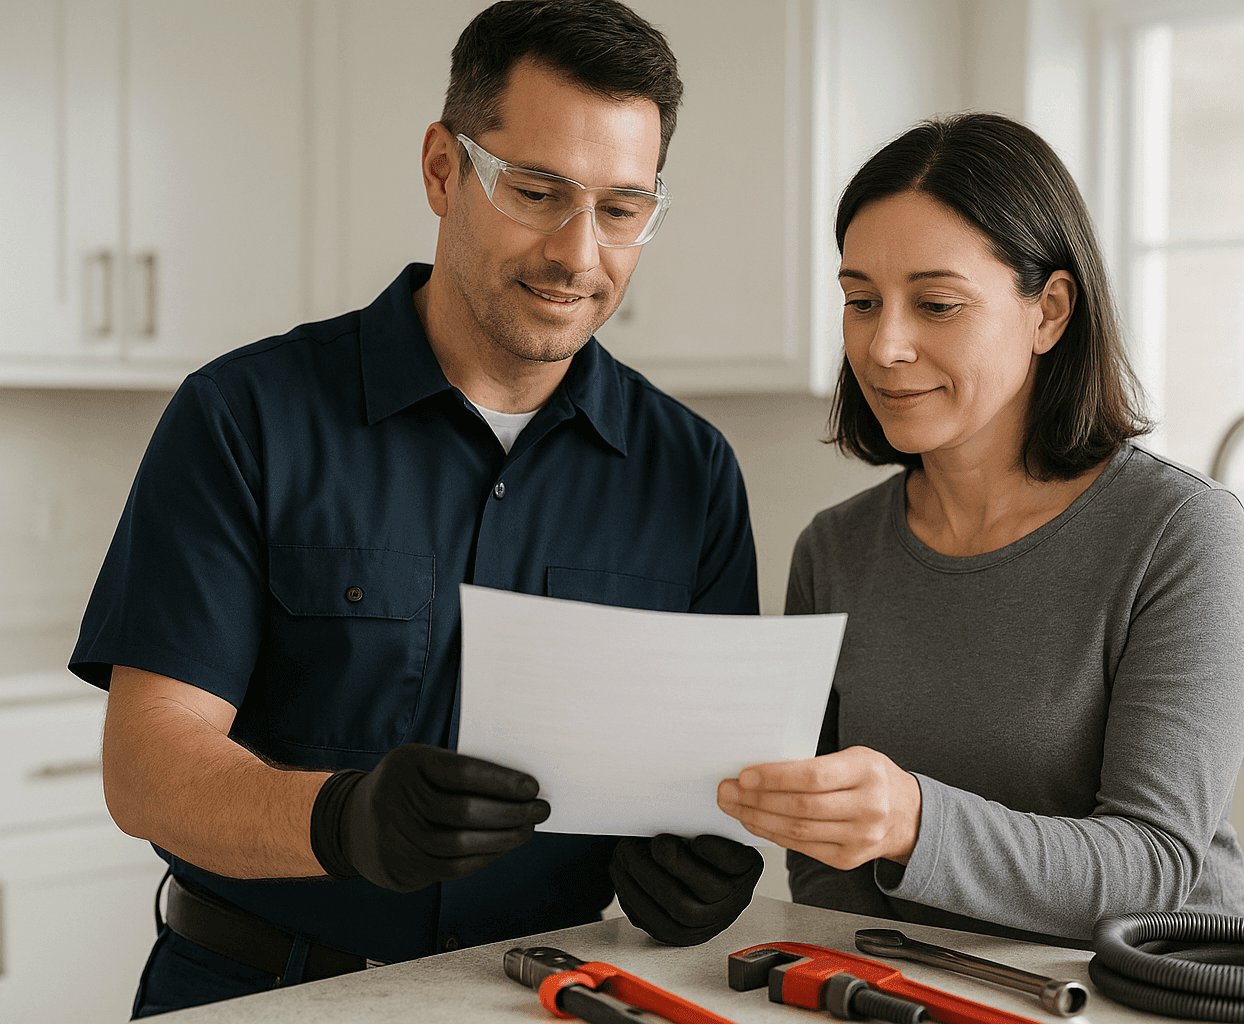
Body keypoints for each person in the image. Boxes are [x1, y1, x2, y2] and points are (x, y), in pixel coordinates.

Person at [72, 1, 763, 1016]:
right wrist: (341, 821)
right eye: (538, 192)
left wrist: (705, 870)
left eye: (621, 210)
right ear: (444, 169)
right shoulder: (242, 417)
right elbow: (147, 768)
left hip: (547, 1000)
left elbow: (706, 788)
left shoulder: (692, 474)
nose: (579, 255)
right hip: (257, 994)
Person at [717, 112, 1244, 946]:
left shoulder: (1180, 531)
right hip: (931, 993)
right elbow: (825, 856)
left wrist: (915, 821)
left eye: (937, 304)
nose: (884, 345)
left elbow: (1154, 865)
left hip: (1155, 989)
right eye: (861, 301)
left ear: (1049, 312)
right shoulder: (834, 551)